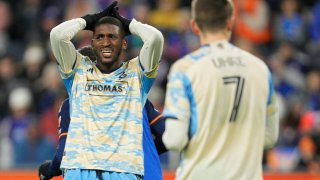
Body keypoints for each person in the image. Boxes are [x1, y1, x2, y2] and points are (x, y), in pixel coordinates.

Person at [162, 0, 279, 179]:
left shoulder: (185, 68)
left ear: (194, 25)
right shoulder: (260, 68)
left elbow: (175, 140)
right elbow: (270, 137)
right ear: (231, 22)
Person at [50, 1, 164, 179]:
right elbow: (57, 36)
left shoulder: (137, 74)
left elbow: (155, 38)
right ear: (93, 42)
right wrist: (89, 20)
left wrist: (127, 23)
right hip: (78, 169)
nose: (106, 42)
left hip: (124, 171)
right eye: (100, 36)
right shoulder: (78, 70)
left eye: (112, 36)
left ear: (124, 43)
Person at [38, 47, 167, 180]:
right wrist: (143, 153)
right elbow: (168, 135)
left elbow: (63, 154)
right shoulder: (134, 95)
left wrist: (48, 170)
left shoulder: (71, 104)